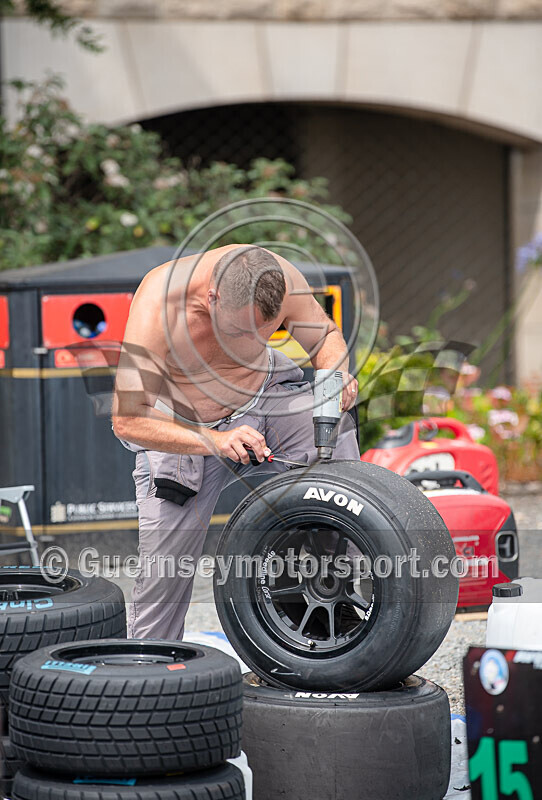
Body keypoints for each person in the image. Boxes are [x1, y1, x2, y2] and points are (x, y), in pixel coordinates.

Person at [112, 244, 360, 640]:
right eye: (239, 330)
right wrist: (215, 440)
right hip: (187, 430)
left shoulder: (283, 277)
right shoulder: (160, 300)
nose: (249, 341)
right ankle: (151, 671)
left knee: (336, 435)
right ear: (211, 297)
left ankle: (332, 598)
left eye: (265, 330)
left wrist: (335, 375)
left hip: (267, 398)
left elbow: (325, 335)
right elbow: (127, 419)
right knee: (165, 575)